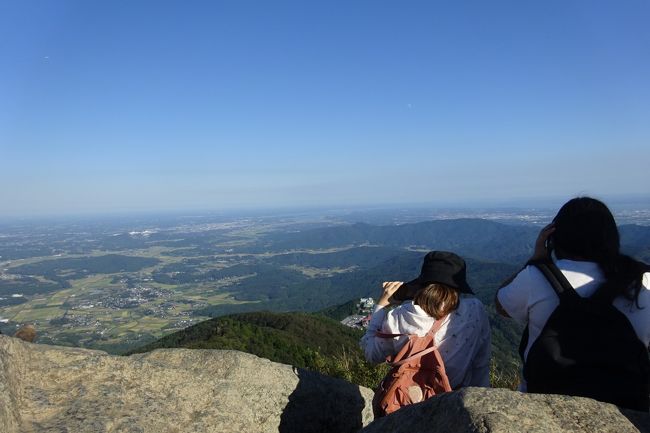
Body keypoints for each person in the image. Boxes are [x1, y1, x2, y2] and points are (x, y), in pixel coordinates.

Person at [495, 197, 650, 398]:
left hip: (544, 402)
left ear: (554, 237)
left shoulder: (535, 278)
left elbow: (501, 305)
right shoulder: (643, 281)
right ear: (612, 238)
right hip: (626, 405)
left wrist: (535, 261)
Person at [360, 251, 491, 390]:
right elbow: (481, 360)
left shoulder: (401, 317)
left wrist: (381, 306)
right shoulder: (475, 310)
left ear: (422, 284)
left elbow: (371, 355)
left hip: (412, 402)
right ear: (459, 287)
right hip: (456, 398)